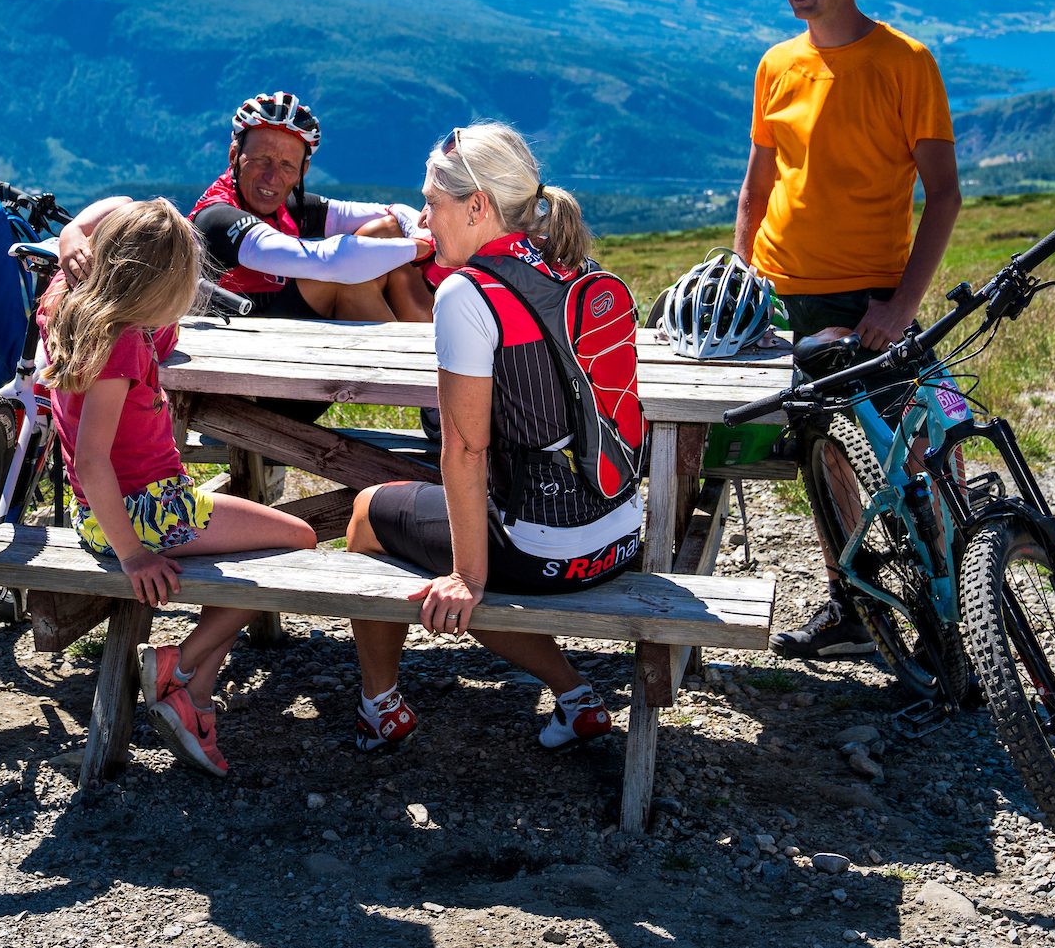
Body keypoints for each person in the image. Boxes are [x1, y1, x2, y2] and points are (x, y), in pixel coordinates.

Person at [341, 123, 643, 755]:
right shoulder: (573, 264)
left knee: (369, 513)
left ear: (477, 206)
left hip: (547, 549)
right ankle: (576, 697)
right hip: (618, 534)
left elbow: (465, 449)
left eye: (432, 202)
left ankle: (380, 706)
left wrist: (466, 576)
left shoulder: (467, 292)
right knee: (452, 529)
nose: (425, 219)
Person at [734, 0, 963, 662]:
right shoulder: (776, 64)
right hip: (783, 296)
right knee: (822, 456)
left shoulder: (907, 62)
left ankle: (953, 610)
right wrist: (743, 277)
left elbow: (944, 195)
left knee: (922, 446)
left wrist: (902, 306)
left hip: (870, 298)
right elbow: (758, 184)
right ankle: (851, 606)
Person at [39, 197, 316, 779]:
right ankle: (181, 663)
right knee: (297, 542)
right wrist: (134, 556)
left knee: (257, 546)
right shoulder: (121, 342)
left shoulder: (68, 301)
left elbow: (115, 209)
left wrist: (72, 239)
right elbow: (92, 459)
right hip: (146, 514)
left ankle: (195, 694)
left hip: (104, 513)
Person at [190, 92, 437, 324]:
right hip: (236, 328)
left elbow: (391, 213)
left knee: (387, 230)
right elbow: (329, 262)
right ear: (234, 156)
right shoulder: (216, 217)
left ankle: (428, 337)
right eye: (261, 159)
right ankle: (410, 354)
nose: (272, 177)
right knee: (347, 280)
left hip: (279, 313)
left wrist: (426, 236)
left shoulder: (285, 205)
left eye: (287, 165)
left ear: (302, 171)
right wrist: (422, 248)